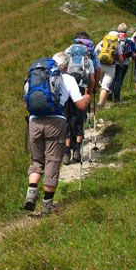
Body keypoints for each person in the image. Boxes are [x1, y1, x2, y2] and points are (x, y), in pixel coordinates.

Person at [24, 52, 91, 215]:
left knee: (36, 160)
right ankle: (47, 205)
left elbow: (27, 106)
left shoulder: (34, 76)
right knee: (52, 160)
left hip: (34, 122)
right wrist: (87, 98)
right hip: (56, 122)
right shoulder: (67, 79)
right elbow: (80, 105)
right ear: (66, 66)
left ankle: (31, 193)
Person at [62, 34, 96, 164]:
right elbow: (92, 79)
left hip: (67, 90)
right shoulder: (88, 60)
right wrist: (91, 91)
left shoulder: (67, 58)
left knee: (68, 118)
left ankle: (66, 152)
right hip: (82, 89)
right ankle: (77, 150)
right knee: (79, 118)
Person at [107, 23, 134, 103]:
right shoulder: (129, 39)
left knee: (112, 77)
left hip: (113, 61)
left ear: (118, 29)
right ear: (126, 30)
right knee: (119, 80)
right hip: (124, 62)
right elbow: (133, 50)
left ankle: (110, 91)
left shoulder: (113, 38)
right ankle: (117, 98)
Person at [95, 29, 119, 108]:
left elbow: (95, 51)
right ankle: (100, 104)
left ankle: (91, 101)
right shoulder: (117, 44)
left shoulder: (102, 42)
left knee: (99, 82)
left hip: (100, 65)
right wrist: (121, 64)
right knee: (105, 86)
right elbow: (121, 57)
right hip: (111, 66)